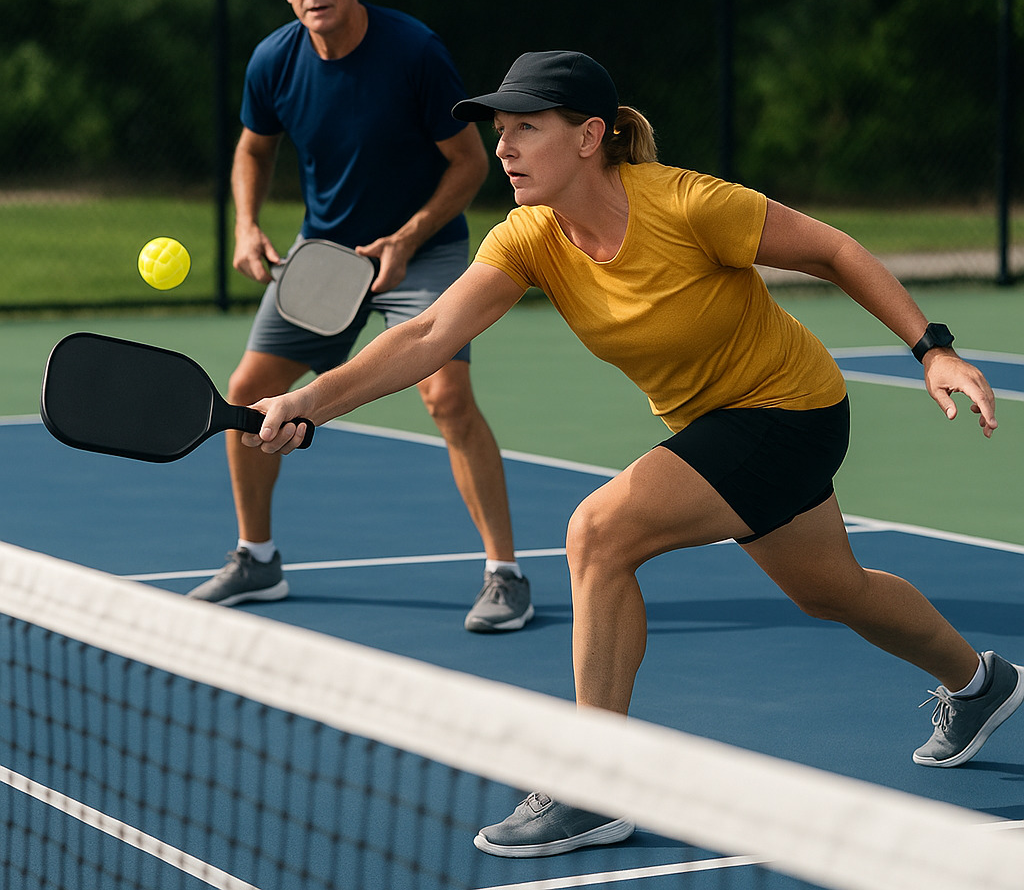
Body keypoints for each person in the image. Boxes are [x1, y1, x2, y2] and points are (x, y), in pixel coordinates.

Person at [239, 50, 1023, 857]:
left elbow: (833, 251)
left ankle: (597, 783)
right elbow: (429, 333)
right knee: (834, 591)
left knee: (599, 534)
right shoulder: (531, 236)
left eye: (524, 130)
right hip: (718, 424)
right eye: (499, 132)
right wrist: (308, 399)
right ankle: (981, 683)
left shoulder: (688, 204)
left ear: (589, 137)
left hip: (789, 408)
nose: (502, 150)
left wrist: (932, 349)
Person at [187, 0, 535, 635]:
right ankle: (257, 559)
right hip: (324, 260)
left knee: (446, 395)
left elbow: (470, 162)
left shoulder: (414, 52)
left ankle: (506, 574)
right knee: (249, 393)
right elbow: (252, 151)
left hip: (423, 250)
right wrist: (246, 225)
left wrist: (405, 240)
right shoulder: (273, 61)